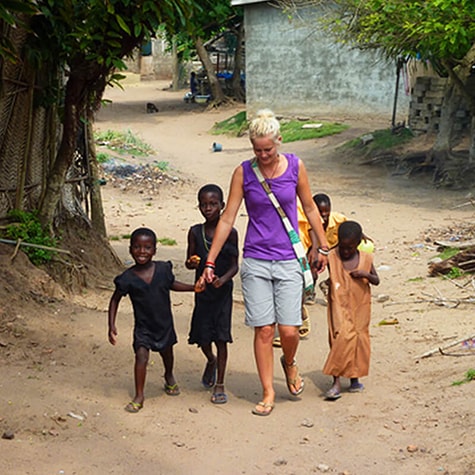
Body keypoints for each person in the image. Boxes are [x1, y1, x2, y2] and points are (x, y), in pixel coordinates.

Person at [202, 109, 329, 416]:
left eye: (268, 150)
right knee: (263, 330)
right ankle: (268, 391)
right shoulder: (243, 173)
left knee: (288, 330)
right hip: (256, 260)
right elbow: (228, 217)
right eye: (257, 150)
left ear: (279, 142)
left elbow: (310, 209)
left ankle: (289, 362)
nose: (263, 155)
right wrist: (210, 261)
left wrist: (323, 247)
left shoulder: (296, 167)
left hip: (288, 260)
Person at [108, 227, 200, 413]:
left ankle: (169, 375)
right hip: (143, 328)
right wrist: (111, 324)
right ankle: (139, 395)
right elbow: (115, 299)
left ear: (154, 250)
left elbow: (172, 284)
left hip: (164, 324)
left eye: (147, 247)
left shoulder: (162, 269)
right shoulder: (127, 279)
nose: (142, 251)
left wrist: (192, 288)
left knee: (167, 353)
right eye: (137, 247)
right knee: (141, 357)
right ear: (130, 249)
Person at [185, 184, 239, 404]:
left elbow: (235, 266)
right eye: (204, 205)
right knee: (202, 335)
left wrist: (223, 279)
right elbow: (189, 261)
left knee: (221, 337)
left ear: (222, 205)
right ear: (199, 207)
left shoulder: (230, 233)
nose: (208, 208)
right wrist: (192, 262)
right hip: (203, 292)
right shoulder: (195, 232)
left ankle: (220, 383)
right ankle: (210, 360)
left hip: (222, 292)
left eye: (213, 204)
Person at [322, 221, 380, 401]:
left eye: (349, 248)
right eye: (343, 247)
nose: (345, 252)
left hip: (360, 306)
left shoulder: (365, 259)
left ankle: (354, 378)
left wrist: (365, 274)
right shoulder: (332, 257)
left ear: (357, 244)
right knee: (339, 337)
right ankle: (336, 382)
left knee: (358, 340)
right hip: (338, 304)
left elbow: (376, 280)